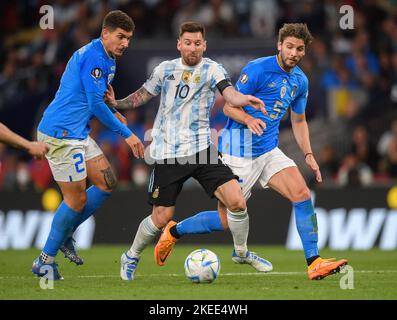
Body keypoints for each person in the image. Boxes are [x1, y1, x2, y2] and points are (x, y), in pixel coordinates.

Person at [155, 23, 348, 280]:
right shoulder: (257, 69)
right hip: (237, 152)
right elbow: (228, 109)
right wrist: (248, 120)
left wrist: (309, 155)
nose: (293, 53)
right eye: (289, 47)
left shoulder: (300, 80)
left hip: (268, 150)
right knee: (224, 221)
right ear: (279, 45)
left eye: (299, 49)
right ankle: (174, 231)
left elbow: (299, 121)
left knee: (302, 193)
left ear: (304, 51)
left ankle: (314, 262)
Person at [105, 21, 270, 281]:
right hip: (168, 152)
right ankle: (132, 255)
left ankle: (241, 252)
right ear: (179, 44)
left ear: (204, 45)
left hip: (202, 150)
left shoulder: (212, 68)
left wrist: (244, 99)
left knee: (237, 201)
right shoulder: (164, 69)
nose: (193, 48)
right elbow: (141, 96)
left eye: (198, 43)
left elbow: (229, 93)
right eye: (188, 43)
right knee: (161, 217)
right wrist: (117, 103)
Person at [31, 10, 144, 280]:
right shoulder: (94, 57)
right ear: (105, 34)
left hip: (78, 133)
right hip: (60, 134)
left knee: (107, 183)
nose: (125, 43)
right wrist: (126, 133)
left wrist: (113, 109)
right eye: (120, 37)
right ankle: (44, 262)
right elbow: (93, 103)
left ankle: (66, 232)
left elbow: (94, 97)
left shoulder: (109, 58)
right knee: (76, 199)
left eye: (128, 38)